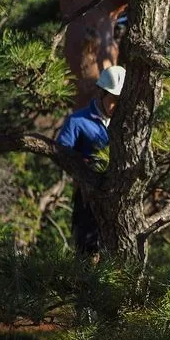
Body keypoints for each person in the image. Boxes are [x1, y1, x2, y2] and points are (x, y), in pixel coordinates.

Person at [55, 65, 126, 254]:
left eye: (120, 101)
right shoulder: (77, 121)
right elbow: (61, 154)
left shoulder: (127, 124)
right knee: (88, 252)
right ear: (101, 93)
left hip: (119, 200)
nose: (115, 106)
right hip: (88, 199)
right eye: (113, 100)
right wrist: (85, 166)